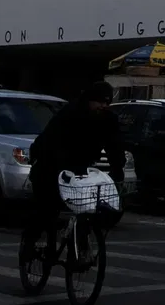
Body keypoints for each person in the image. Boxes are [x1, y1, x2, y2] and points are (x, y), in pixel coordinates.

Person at [20, 82, 125, 261]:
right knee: (46, 208)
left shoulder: (108, 120)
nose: (103, 106)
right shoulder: (70, 114)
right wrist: (60, 164)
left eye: (107, 102)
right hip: (49, 165)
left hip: (79, 168)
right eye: (99, 102)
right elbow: (49, 142)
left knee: (90, 207)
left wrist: (117, 172)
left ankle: (80, 245)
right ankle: (29, 245)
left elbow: (114, 147)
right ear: (89, 100)